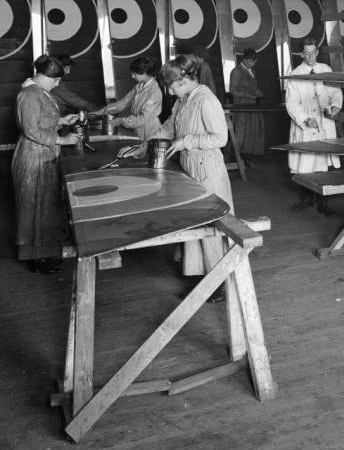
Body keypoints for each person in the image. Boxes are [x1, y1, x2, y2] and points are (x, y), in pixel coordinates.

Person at [158, 53, 234, 302]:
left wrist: (187, 141)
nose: (169, 93)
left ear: (184, 80)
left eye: (171, 87)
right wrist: (145, 143)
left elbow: (219, 138)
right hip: (190, 167)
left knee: (211, 226)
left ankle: (219, 282)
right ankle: (204, 278)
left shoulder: (206, 100)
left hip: (207, 170)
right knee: (196, 224)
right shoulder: (184, 99)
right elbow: (169, 127)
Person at [12, 54, 82, 274]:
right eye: (56, 79)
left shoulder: (40, 92)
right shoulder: (28, 95)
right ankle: (35, 257)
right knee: (34, 206)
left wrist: (61, 121)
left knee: (45, 207)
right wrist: (61, 139)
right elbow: (31, 130)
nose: (58, 83)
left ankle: (44, 252)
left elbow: (42, 120)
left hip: (45, 154)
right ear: (43, 76)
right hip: (34, 157)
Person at [285, 38, 343, 213]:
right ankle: (306, 198)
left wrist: (335, 106)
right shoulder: (295, 74)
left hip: (324, 123)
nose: (310, 57)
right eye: (306, 53)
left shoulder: (326, 70)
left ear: (317, 52)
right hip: (306, 126)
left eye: (313, 52)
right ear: (302, 54)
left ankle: (324, 201)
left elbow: (335, 92)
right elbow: (291, 103)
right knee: (306, 164)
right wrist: (304, 119)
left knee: (323, 162)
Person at [94, 56, 162, 144]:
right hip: (138, 128)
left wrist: (121, 121)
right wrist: (104, 110)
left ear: (144, 73)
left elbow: (142, 119)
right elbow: (123, 103)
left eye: (135, 74)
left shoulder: (154, 93)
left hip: (150, 131)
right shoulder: (139, 87)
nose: (132, 76)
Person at [228, 48, 264, 166]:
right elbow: (233, 91)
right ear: (245, 59)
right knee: (241, 132)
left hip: (252, 105)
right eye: (251, 62)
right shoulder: (236, 72)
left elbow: (253, 87)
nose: (253, 64)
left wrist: (258, 92)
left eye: (254, 62)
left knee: (252, 132)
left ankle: (246, 158)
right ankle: (234, 158)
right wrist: (249, 95)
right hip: (241, 105)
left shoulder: (252, 70)